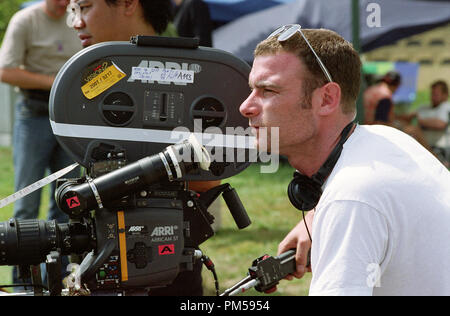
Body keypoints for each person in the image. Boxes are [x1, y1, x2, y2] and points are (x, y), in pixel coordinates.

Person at [239, 25, 450, 295]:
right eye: (251, 89)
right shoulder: (385, 140)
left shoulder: (352, 199)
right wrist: (316, 216)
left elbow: (357, 199)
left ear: (327, 99)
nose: (245, 106)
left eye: (268, 91)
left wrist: (336, 210)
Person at [68, 0, 220, 295]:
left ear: (128, 4)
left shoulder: (195, 71)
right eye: (73, 11)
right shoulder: (88, 75)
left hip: (169, 255)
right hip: (98, 251)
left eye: (85, 7)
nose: (77, 22)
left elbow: (210, 176)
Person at [0, 0, 82, 287]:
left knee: (67, 205)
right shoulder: (25, 20)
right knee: (26, 205)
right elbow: (5, 71)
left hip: (71, 116)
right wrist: (57, 81)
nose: (65, 3)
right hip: (33, 114)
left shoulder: (79, 19)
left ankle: (55, 284)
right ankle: (22, 286)